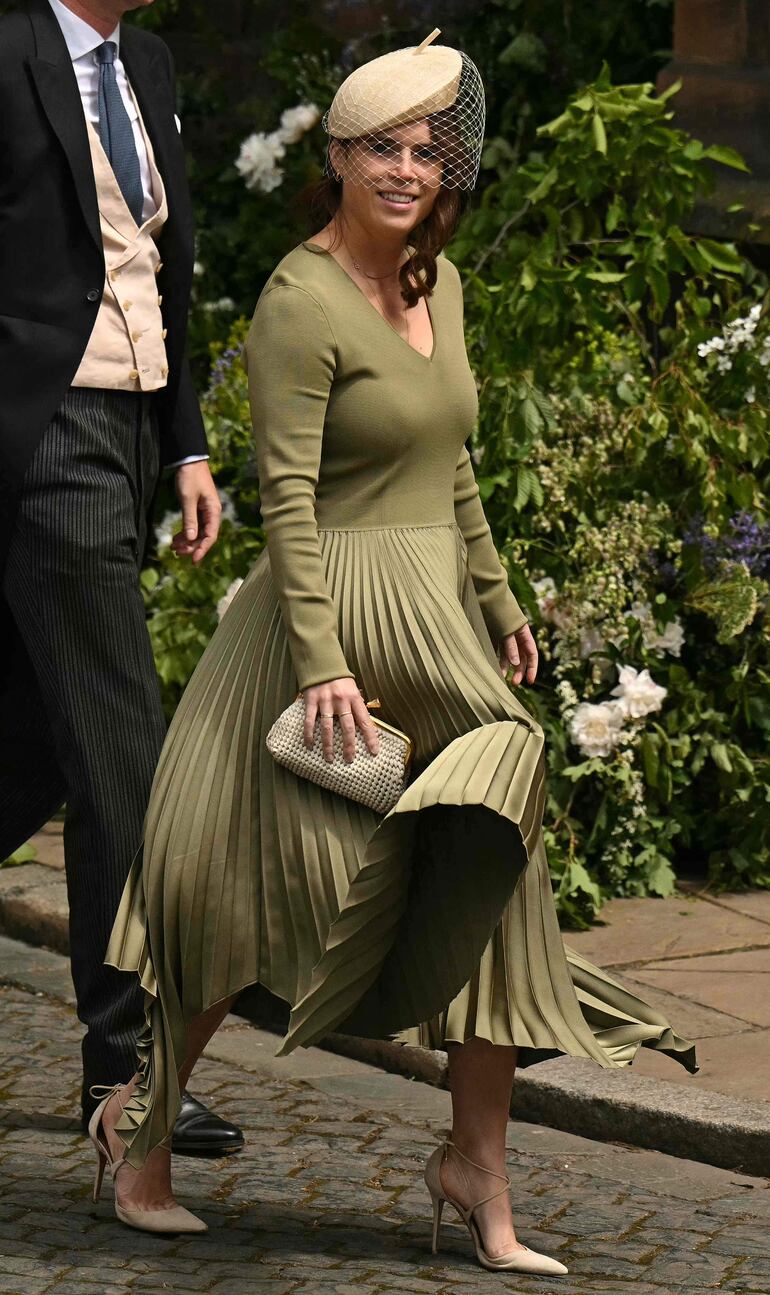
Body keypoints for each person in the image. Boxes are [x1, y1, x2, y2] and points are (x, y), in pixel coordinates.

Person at [91, 34, 697, 1269]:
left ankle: (475, 1166)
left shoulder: (440, 283)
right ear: (336, 158)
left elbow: (453, 464)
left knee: (495, 880)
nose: (407, 169)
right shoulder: (296, 299)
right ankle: (135, 1126)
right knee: (246, 898)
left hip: (436, 620)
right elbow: (289, 501)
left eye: (427, 149)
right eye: (382, 147)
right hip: (323, 634)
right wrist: (317, 662)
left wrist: (500, 594)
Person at [0, 0, 243, 1156]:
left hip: (132, 436)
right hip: (45, 436)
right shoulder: (4, 54)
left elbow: (164, 266)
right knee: (125, 755)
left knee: (41, 747)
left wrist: (186, 443)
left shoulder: (144, 62)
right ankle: (124, 1078)